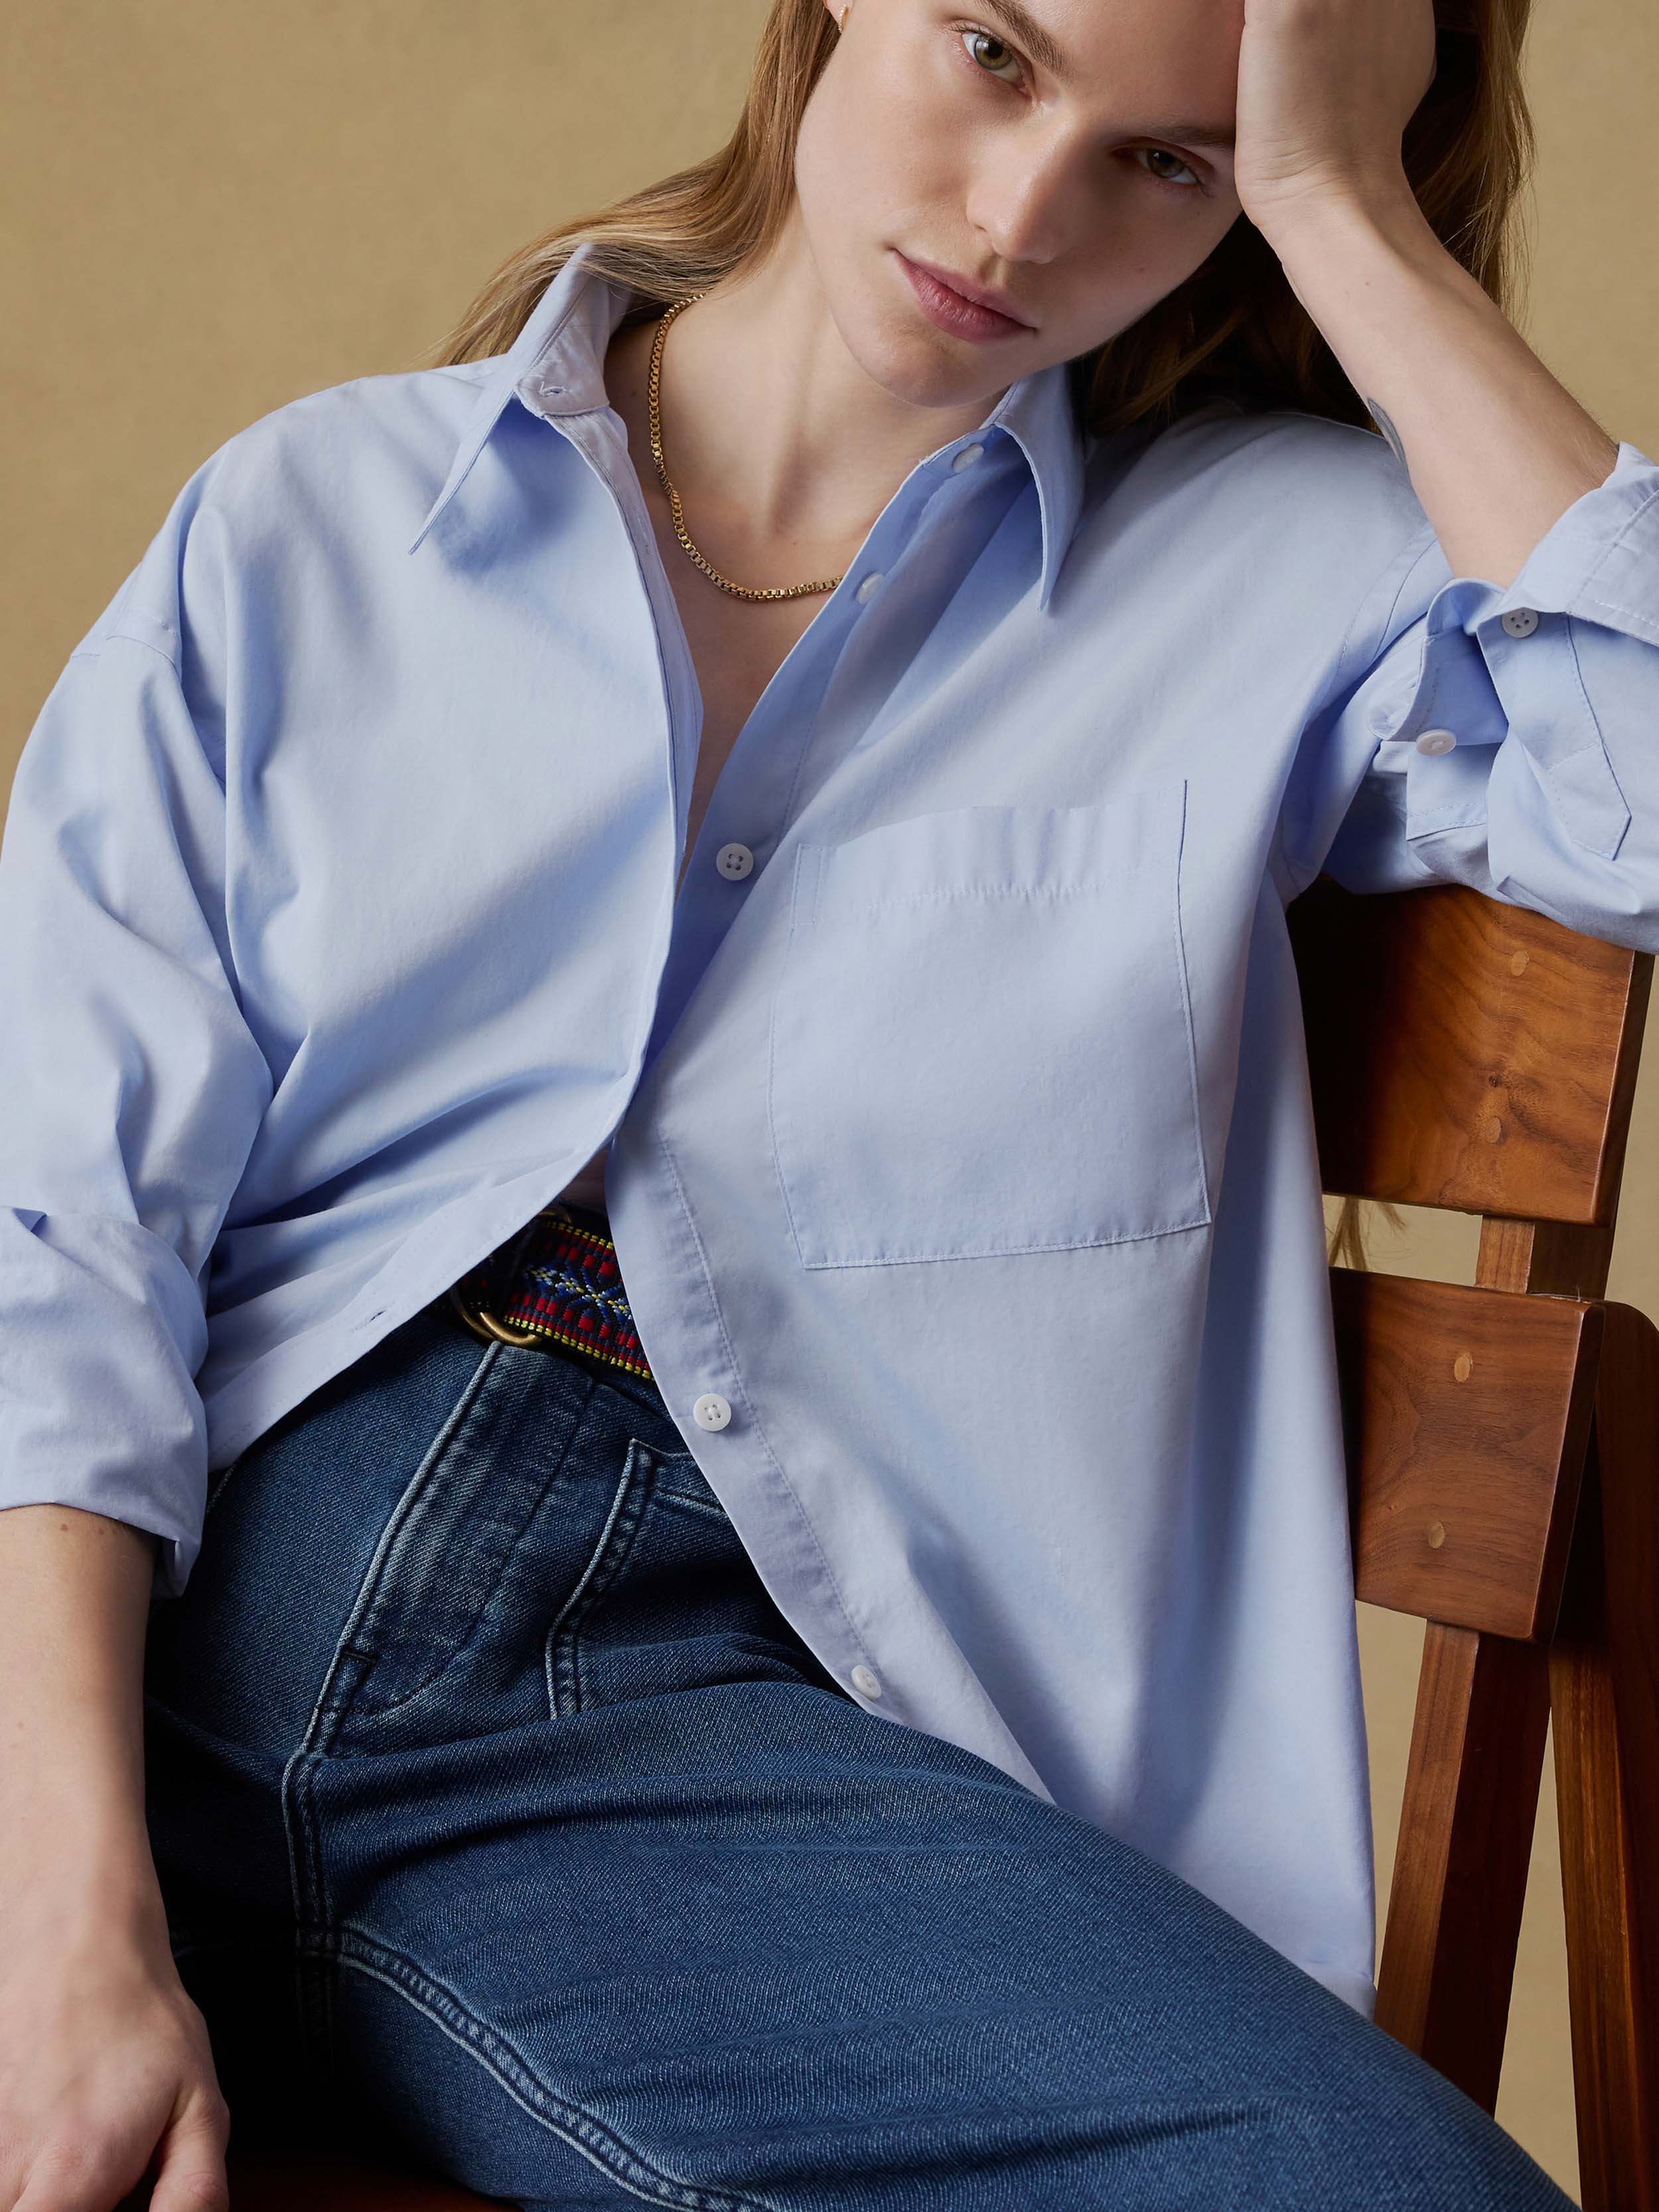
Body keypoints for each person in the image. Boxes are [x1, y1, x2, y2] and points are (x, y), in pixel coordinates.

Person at [1, 0, 1652, 2201]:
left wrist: (1343, 206)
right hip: (160, 1589)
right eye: (991, 51)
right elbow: (59, 1232)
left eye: (1169, 163)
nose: (1021, 213)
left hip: (723, 1722)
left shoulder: (1290, 567)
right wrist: (70, 1909)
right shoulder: (324, 520)